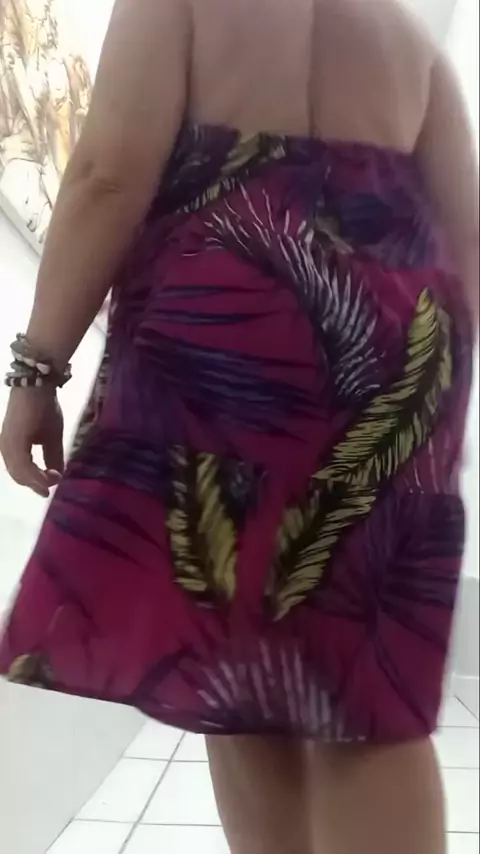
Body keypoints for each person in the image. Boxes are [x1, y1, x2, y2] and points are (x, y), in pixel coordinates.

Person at [0, 0, 478, 851]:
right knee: (365, 689)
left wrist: (38, 368)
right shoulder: (410, 45)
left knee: (229, 657)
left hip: (225, 346)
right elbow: (469, 242)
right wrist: (430, 417)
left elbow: (108, 174)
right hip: (391, 361)